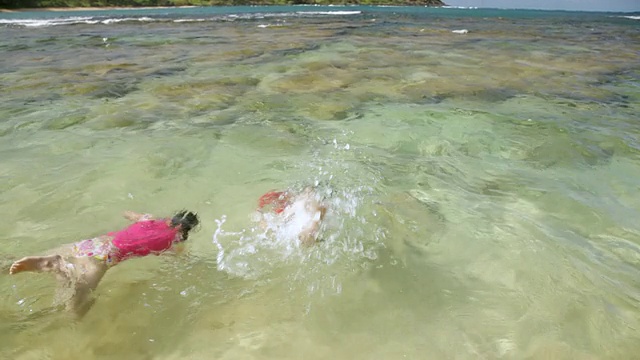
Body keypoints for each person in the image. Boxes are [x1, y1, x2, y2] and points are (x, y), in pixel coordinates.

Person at [9, 210, 199, 317]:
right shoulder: (172, 243)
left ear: (172, 218)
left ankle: (57, 266)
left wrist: (142, 218)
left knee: (70, 282)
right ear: (186, 231)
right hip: (105, 258)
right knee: (75, 311)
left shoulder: (148, 219)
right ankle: (56, 265)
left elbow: (126, 213)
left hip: (94, 244)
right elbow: (178, 259)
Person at [256, 187, 327, 245]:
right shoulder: (295, 208)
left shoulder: (304, 204)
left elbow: (321, 208)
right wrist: (265, 223)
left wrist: (313, 227)